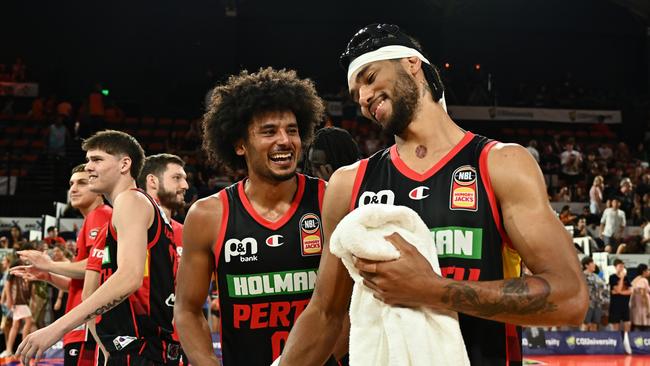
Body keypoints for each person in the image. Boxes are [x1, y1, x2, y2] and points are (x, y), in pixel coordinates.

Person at [280, 23, 587, 366]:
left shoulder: (500, 163)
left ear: (412, 64)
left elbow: (570, 298)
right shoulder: (348, 184)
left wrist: (432, 290)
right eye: (356, 95)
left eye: (369, 77)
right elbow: (325, 315)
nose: (364, 99)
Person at [174, 67, 330, 366]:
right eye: (269, 131)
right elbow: (187, 309)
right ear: (240, 144)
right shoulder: (208, 215)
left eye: (292, 130)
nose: (284, 140)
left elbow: (345, 306)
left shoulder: (329, 201)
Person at [15, 130, 180, 366]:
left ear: (125, 164)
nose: (88, 166)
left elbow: (129, 277)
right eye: (88, 159)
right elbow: (92, 291)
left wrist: (56, 328)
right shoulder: (134, 211)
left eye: (97, 159)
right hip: (144, 346)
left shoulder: (129, 201)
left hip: (141, 346)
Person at [12, 163, 112, 365]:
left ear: (99, 190)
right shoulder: (92, 219)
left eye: (82, 183)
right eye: (71, 183)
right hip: (81, 325)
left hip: (88, 327)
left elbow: (97, 266)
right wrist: (48, 276)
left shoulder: (100, 215)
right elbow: (81, 282)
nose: (73, 189)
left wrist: (49, 265)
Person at [580, 257, 607, 331]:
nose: (594, 265)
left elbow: (603, 288)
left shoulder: (596, 276)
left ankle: (593, 340)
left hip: (597, 303)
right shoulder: (581, 276)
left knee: (594, 324)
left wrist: (603, 299)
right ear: (586, 265)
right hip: (587, 304)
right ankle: (582, 340)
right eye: (592, 263)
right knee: (585, 324)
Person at [609, 258, 632, 331]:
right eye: (620, 266)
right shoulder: (612, 277)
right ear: (615, 267)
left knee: (627, 323)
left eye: (623, 266)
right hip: (615, 305)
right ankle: (617, 340)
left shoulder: (626, 278)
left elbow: (630, 291)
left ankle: (626, 339)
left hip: (625, 304)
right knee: (616, 324)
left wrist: (620, 292)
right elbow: (618, 289)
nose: (622, 268)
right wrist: (621, 279)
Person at [630, 263, 650, 331]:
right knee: (644, 328)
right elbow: (643, 296)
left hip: (636, 308)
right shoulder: (643, 280)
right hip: (643, 309)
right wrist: (648, 309)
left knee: (637, 326)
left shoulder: (635, 280)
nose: (649, 272)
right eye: (648, 270)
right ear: (644, 271)